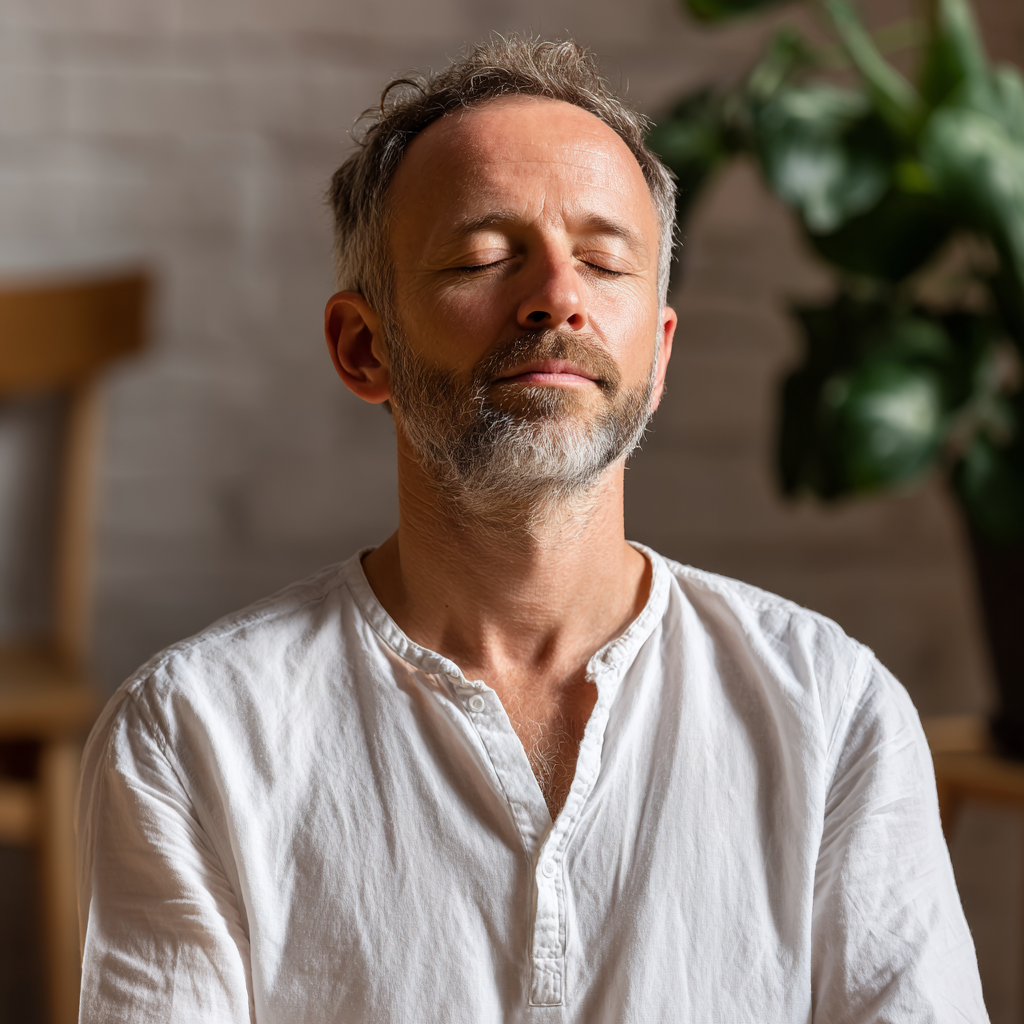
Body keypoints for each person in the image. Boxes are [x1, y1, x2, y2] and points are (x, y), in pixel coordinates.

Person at [76, 35, 988, 1023]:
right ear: (361, 346)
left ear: (660, 351)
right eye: (483, 256)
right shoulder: (190, 736)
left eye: (603, 262)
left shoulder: (834, 714)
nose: (557, 297)